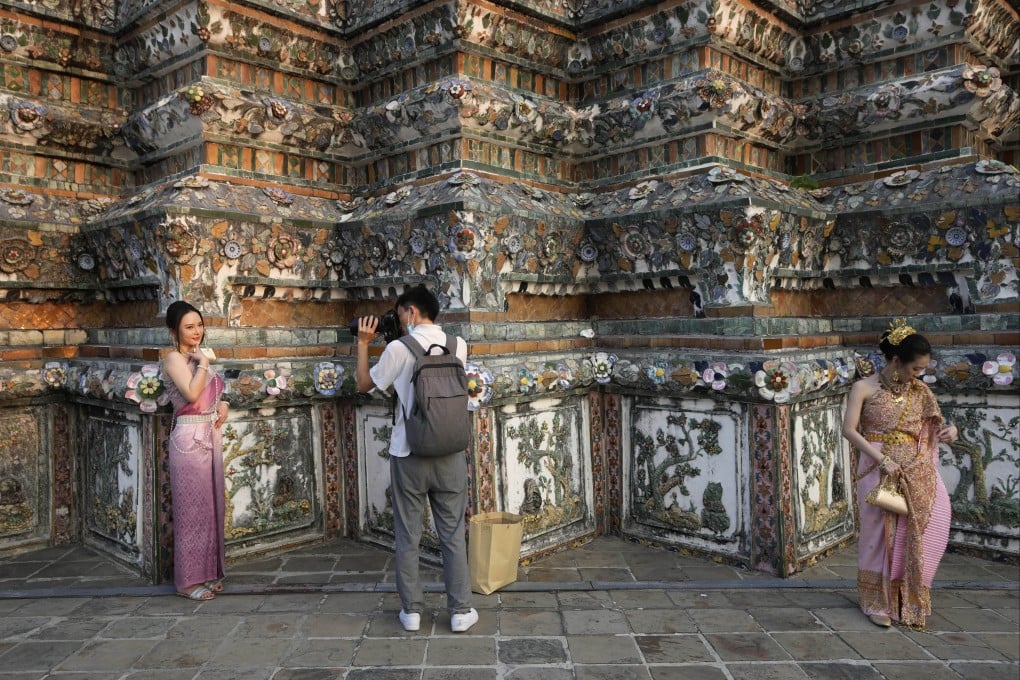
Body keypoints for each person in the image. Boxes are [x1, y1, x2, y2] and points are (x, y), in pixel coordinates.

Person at [355, 284, 478, 633]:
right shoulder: (459, 346)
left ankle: (411, 612)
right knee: (452, 533)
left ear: (410, 311)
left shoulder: (398, 348)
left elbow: (365, 384)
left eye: (399, 314)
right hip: (450, 451)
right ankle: (460, 611)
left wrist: (364, 344)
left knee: (407, 535)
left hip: (408, 452)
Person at [842, 319, 957, 628]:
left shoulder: (919, 391)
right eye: (915, 368)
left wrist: (950, 430)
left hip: (915, 469)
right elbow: (849, 430)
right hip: (876, 466)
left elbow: (932, 426)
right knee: (878, 535)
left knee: (929, 523)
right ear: (896, 361)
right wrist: (882, 460)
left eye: (922, 370)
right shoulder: (863, 388)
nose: (919, 375)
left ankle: (906, 594)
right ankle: (874, 600)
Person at [162, 300, 229, 600]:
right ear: (174, 330)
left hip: (209, 433)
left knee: (211, 507)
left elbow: (211, 393)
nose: (196, 331)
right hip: (189, 438)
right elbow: (190, 393)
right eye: (189, 327)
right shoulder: (174, 358)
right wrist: (202, 362)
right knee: (192, 511)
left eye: (199, 325)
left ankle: (209, 571)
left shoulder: (199, 356)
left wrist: (224, 403)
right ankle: (187, 581)